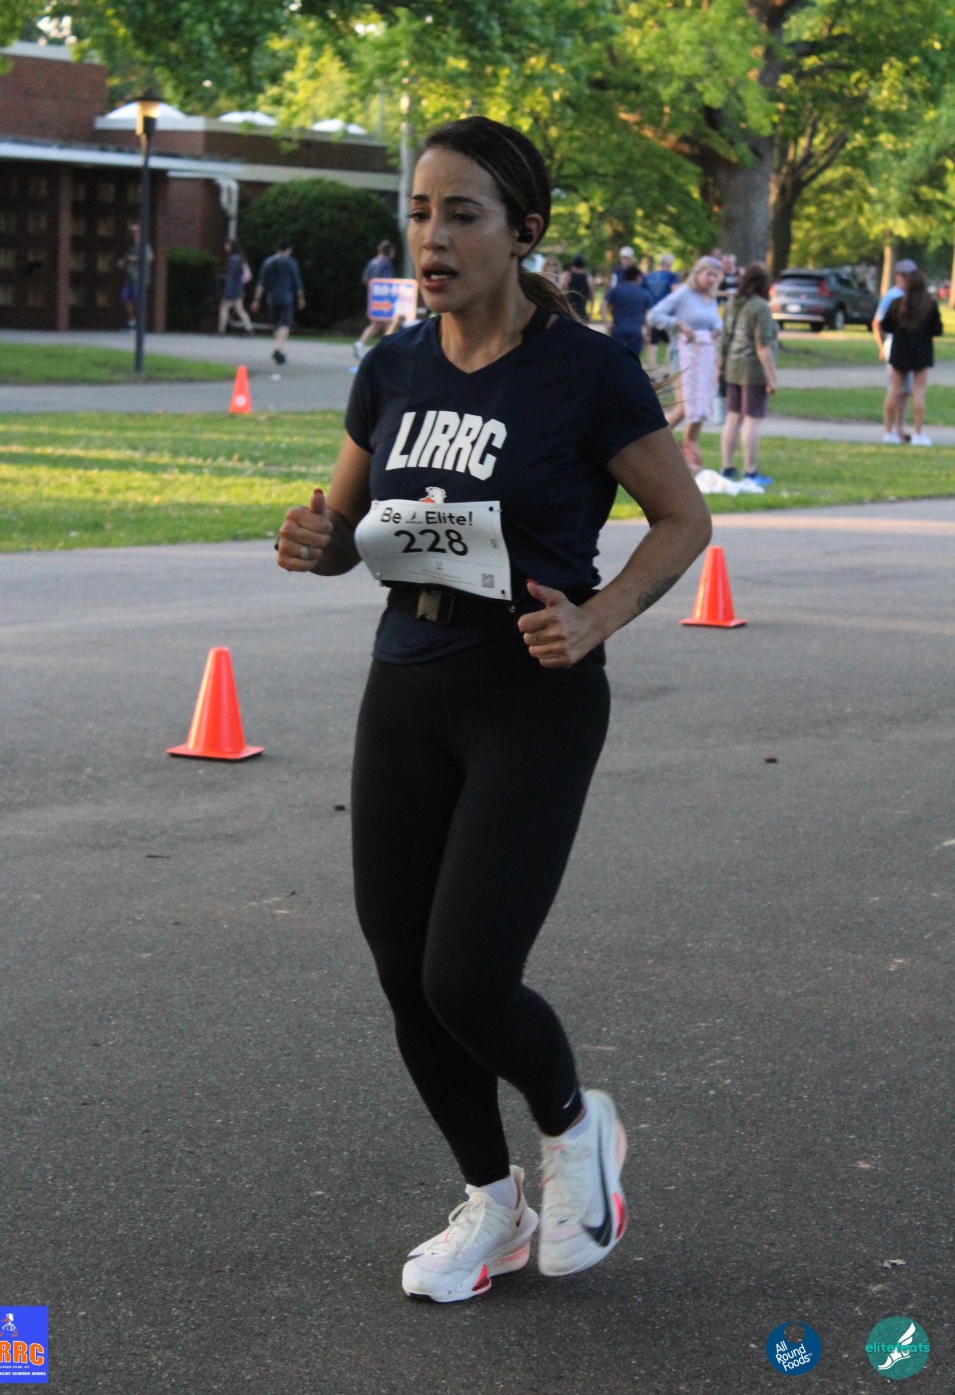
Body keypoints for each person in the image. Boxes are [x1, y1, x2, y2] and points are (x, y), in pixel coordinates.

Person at [275, 115, 710, 1305]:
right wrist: (312, 540)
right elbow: (345, 536)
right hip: (407, 682)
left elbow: (683, 519)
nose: (432, 236)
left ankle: (575, 1126)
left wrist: (598, 617)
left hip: (531, 694)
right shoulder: (393, 367)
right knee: (402, 971)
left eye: (461, 214)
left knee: (465, 976)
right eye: (420, 211)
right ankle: (490, 1202)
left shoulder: (585, 371)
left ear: (523, 232)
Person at [647, 256, 723, 471]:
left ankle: (689, 450)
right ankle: (652, 443)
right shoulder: (684, 294)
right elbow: (654, 315)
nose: (711, 279)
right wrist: (678, 324)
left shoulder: (710, 298)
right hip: (682, 355)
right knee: (684, 405)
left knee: (698, 404)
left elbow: (715, 321)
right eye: (708, 274)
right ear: (697, 273)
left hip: (704, 356)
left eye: (715, 276)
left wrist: (717, 329)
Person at [718, 262, 778, 485]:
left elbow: (724, 339)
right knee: (752, 419)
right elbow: (763, 346)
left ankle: (727, 467)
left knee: (733, 416)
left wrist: (720, 367)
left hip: (732, 367)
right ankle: (750, 471)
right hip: (753, 370)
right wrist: (771, 377)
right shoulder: (760, 307)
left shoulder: (732, 303)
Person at [880, 269, 943, 446]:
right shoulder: (930, 305)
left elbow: (886, 325)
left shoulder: (897, 303)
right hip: (921, 351)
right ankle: (918, 433)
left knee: (894, 390)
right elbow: (937, 330)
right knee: (919, 391)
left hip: (900, 350)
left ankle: (888, 432)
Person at [872, 259, 918, 443]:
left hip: (910, 346)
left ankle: (900, 427)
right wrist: (882, 346)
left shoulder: (915, 296)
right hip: (894, 345)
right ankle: (888, 430)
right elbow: (878, 323)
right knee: (895, 389)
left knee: (905, 391)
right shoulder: (892, 296)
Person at [252, 241, 305, 365]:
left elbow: (261, 283)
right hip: (286, 297)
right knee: (285, 324)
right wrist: (301, 298)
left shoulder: (268, 262)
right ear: (289, 250)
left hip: (272, 298)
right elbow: (297, 282)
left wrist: (256, 299)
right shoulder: (291, 263)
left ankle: (281, 350)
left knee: (276, 324)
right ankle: (277, 348)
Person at [355, 240, 397, 361]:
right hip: (384, 298)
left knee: (378, 324)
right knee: (386, 323)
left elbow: (365, 278)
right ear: (389, 251)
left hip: (373, 296)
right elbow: (388, 281)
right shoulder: (386, 264)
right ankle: (386, 349)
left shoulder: (372, 262)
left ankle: (376, 346)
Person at [602, 263, 654, 359]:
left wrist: (606, 323)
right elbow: (649, 316)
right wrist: (648, 334)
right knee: (633, 360)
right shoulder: (644, 293)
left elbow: (604, 304)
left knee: (617, 359)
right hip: (636, 331)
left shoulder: (616, 290)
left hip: (618, 329)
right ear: (637, 277)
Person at [642, 253, 681, 368]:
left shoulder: (650, 276)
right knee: (669, 341)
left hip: (652, 312)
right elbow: (675, 292)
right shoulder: (671, 276)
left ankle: (652, 369)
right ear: (669, 264)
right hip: (666, 314)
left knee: (653, 341)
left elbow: (644, 292)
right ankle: (667, 369)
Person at [118, 223, 153, 330]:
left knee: (138, 300)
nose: (133, 234)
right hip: (129, 277)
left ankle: (139, 323)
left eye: (135, 231)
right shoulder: (131, 246)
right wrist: (123, 261)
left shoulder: (144, 246)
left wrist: (133, 258)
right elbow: (126, 258)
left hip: (139, 278)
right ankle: (132, 322)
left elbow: (149, 258)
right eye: (131, 232)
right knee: (126, 299)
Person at [217, 239, 255, 336]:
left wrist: (227, 289)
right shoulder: (241, 258)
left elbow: (231, 276)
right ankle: (249, 329)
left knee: (224, 308)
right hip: (239, 288)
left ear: (231, 246)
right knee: (240, 309)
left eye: (227, 245)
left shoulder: (232, 259)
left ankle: (221, 330)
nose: (225, 247)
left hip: (231, 288)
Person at [559, 254, 594, 321]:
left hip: (569, 311)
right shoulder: (588, 277)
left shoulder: (567, 275)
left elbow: (560, 291)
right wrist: (591, 312)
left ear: (573, 263)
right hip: (582, 312)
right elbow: (592, 296)